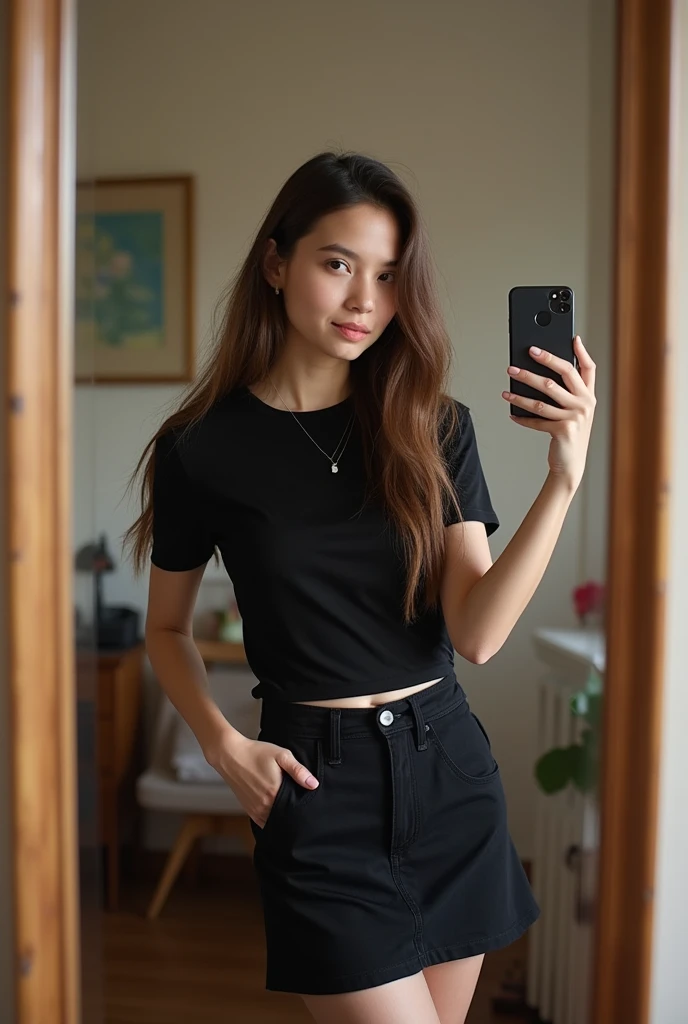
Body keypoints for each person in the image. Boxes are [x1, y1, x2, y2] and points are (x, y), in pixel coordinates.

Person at [123, 151, 596, 1024]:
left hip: (448, 770)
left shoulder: (434, 426)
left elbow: (478, 633)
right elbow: (166, 631)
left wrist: (562, 480)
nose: (364, 300)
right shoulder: (200, 448)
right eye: (338, 263)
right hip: (315, 789)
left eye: (387, 275)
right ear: (276, 262)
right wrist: (227, 748)